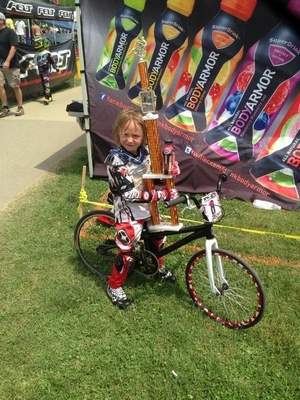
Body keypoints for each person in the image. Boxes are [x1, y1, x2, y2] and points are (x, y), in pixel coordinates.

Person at [105, 109, 180, 309]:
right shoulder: (115, 161)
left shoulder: (147, 152)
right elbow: (128, 194)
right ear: (118, 134)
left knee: (159, 237)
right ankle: (114, 286)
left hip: (148, 207)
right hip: (128, 210)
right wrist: (160, 195)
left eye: (135, 135)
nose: (130, 139)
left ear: (144, 136)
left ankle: (157, 267)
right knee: (127, 251)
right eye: (125, 135)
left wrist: (169, 167)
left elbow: (157, 173)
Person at [0, 12, 24, 118]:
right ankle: (5, 108)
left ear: (2, 20)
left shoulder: (10, 32)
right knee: (0, 86)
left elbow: (13, 47)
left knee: (15, 86)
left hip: (12, 64)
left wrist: (8, 61)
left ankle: (20, 107)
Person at [32, 37, 58, 105]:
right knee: (44, 84)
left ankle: (48, 98)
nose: (36, 45)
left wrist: (56, 68)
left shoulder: (47, 53)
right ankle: (49, 96)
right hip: (41, 71)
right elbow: (34, 62)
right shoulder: (36, 54)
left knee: (46, 83)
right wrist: (31, 66)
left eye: (38, 44)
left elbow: (52, 61)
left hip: (46, 71)